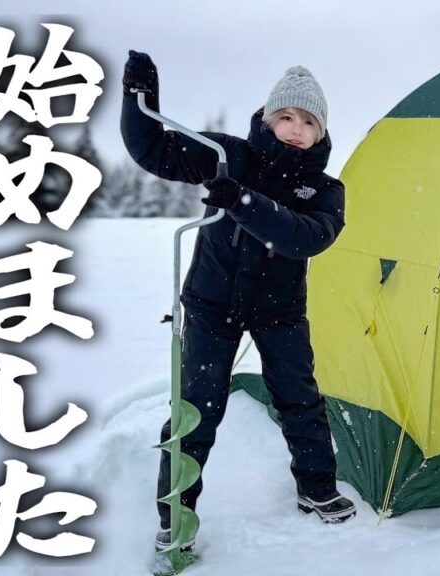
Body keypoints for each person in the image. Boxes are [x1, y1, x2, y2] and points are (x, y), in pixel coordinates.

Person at [120, 50, 355, 554]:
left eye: (308, 121)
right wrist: (138, 97)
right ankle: (175, 516)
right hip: (211, 304)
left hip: (280, 310)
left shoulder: (325, 190)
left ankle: (317, 490)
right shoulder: (229, 155)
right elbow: (152, 149)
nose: (295, 128)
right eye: (286, 116)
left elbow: (302, 238)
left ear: (321, 132)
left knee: (300, 399)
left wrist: (241, 201)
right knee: (196, 410)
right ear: (268, 119)